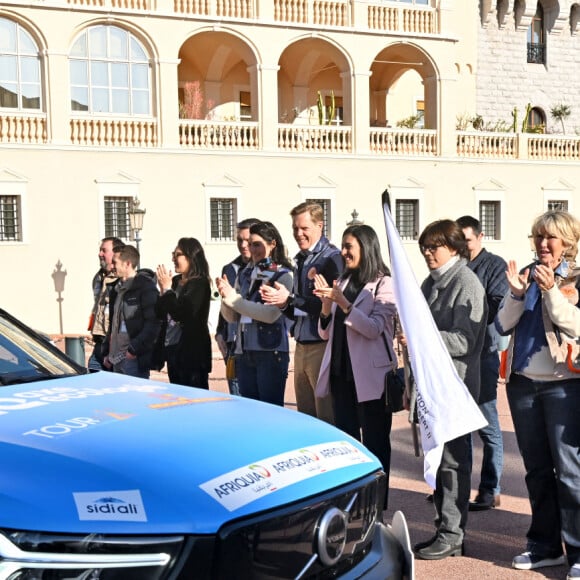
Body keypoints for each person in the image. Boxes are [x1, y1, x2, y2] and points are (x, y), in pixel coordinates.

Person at [495, 210, 580, 577]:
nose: (543, 244)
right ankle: (544, 546)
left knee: (571, 471)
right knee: (537, 471)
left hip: (564, 385)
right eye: (539, 237)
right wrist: (516, 294)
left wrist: (550, 293)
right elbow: (502, 324)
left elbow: (574, 325)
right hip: (523, 383)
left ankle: (577, 550)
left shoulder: (576, 277)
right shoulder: (526, 274)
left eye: (551, 238)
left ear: (567, 243)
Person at [411, 219, 487, 560]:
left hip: (455, 387)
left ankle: (453, 534)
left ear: (453, 248)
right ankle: (444, 528)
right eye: (424, 248)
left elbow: (464, 341)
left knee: (455, 463)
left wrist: (423, 338)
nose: (428, 253)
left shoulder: (466, 282)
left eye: (434, 247)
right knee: (442, 463)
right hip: (435, 387)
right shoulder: (432, 281)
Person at [313, 224, 396, 508]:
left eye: (349, 247)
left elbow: (373, 328)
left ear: (366, 248)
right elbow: (325, 333)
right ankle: (351, 504)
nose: (344, 252)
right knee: (348, 445)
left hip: (371, 379)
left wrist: (344, 304)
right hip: (341, 376)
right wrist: (326, 306)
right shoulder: (343, 281)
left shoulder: (385, 284)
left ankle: (377, 505)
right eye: (343, 246)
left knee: (374, 443)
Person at [259, 202, 342, 424]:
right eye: (295, 228)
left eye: (304, 228)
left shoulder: (331, 257)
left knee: (327, 417)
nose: (298, 233)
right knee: (306, 417)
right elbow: (298, 309)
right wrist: (282, 304)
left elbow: (329, 304)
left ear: (320, 226)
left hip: (322, 346)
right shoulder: (300, 259)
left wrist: (291, 299)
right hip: (302, 345)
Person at [457, 215, 509, 511]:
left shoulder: (494, 265)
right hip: (458, 358)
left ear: (480, 237)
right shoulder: (455, 266)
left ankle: (491, 488)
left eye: (466, 239)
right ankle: (458, 488)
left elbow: (496, 304)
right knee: (458, 427)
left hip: (484, 355)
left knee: (487, 425)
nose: (462, 245)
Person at [216, 221, 293, 406]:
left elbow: (270, 315)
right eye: (250, 244)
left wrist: (234, 299)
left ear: (272, 244)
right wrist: (225, 298)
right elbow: (233, 317)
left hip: (270, 352)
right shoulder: (245, 273)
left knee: (270, 413)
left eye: (257, 244)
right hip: (245, 352)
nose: (251, 249)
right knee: (249, 413)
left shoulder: (283, 274)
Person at [155, 237, 212, 388]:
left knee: (195, 400)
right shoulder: (174, 281)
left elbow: (183, 313)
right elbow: (160, 313)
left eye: (178, 254)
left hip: (191, 353)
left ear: (191, 256)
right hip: (172, 349)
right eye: (173, 253)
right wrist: (163, 291)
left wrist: (167, 291)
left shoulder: (200, 283)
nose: (173, 258)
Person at [215, 218, 260, 395]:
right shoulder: (230, 268)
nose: (243, 245)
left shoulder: (270, 269)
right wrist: (220, 332)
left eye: (247, 240)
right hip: (233, 345)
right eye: (239, 240)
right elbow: (225, 302)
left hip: (258, 344)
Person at [102, 244, 160, 379]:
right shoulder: (116, 289)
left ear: (127, 264)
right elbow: (114, 325)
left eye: (115, 262)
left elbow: (153, 323)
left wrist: (133, 350)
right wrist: (108, 352)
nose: (112, 266)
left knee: (135, 399)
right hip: (116, 359)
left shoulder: (145, 287)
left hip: (133, 360)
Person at [88, 236, 124, 370]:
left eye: (104, 250)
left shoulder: (122, 280)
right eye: (100, 250)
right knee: (92, 374)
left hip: (114, 344)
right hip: (99, 342)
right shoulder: (98, 278)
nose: (100, 254)